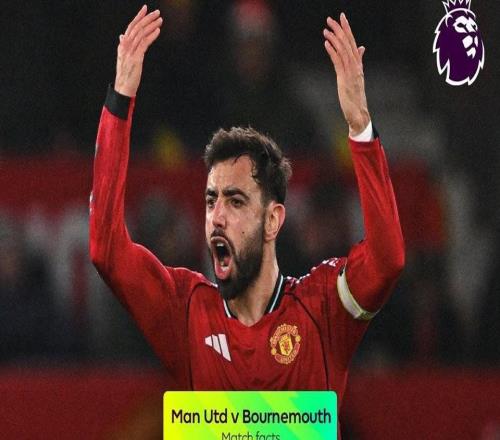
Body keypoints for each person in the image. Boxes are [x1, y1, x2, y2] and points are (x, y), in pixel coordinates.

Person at [89, 4, 404, 408]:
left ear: (273, 220)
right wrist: (119, 102)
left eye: (235, 201)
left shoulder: (322, 309)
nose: (217, 217)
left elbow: (387, 260)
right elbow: (106, 250)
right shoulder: (186, 313)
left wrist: (360, 128)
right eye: (211, 201)